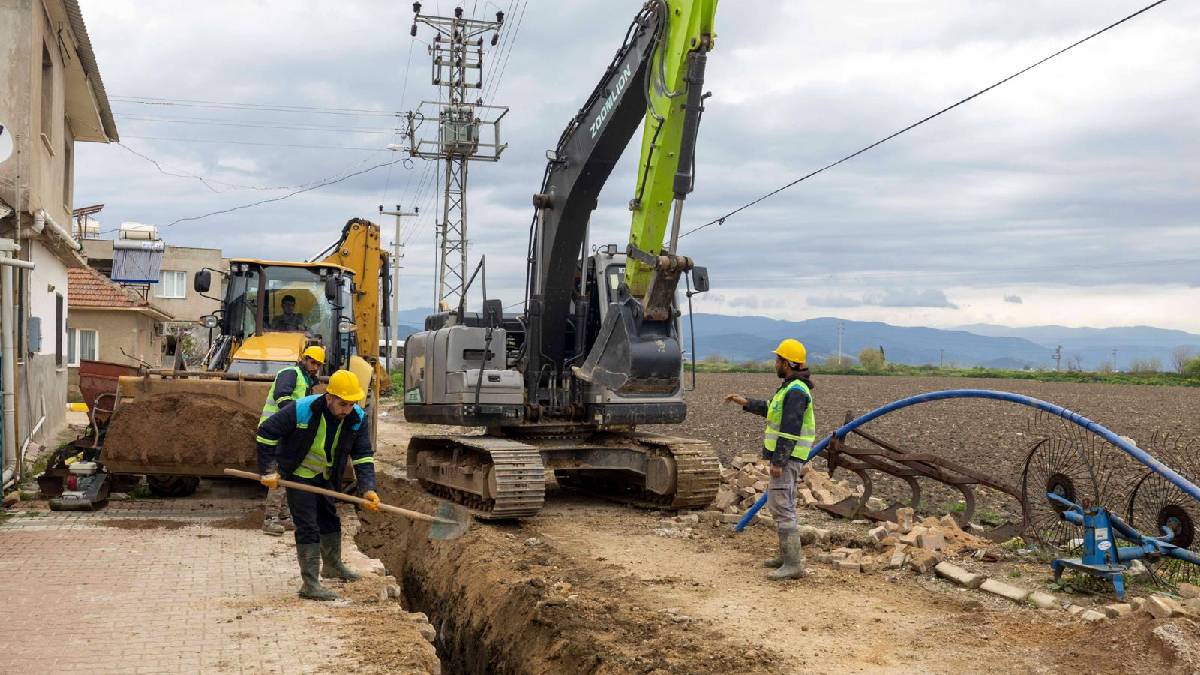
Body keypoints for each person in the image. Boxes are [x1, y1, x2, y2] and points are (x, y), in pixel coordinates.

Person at [255, 370, 381, 601]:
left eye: (351, 404)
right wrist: (268, 470)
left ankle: (332, 566)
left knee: (329, 518)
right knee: (308, 525)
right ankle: (310, 584)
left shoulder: (357, 418)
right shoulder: (302, 409)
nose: (347, 410)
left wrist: (368, 488)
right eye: (343, 404)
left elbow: (363, 455)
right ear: (329, 397)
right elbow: (266, 433)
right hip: (299, 474)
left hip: (327, 475)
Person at [724, 338, 816, 581]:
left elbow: (789, 429)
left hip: (788, 459)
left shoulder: (795, 391)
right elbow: (772, 409)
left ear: (787, 363)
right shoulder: (790, 387)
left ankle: (793, 564)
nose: (775, 363)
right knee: (782, 504)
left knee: (781, 505)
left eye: (778, 360)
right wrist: (746, 403)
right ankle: (786, 557)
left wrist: (779, 461)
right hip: (789, 458)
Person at [259, 345, 326, 536]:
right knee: (280, 473)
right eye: (312, 362)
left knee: (288, 472)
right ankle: (270, 519)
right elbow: (283, 399)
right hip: (276, 429)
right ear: (303, 359)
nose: (314, 367)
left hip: (289, 431)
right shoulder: (291, 373)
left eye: (318, 365)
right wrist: (296, 421)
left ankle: (283, 516)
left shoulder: (307, 380)